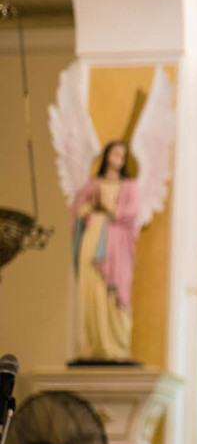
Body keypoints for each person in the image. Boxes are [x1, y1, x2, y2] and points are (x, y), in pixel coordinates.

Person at [71, 140, 140, 361]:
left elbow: (132, 213)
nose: (118, 158)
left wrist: (108, 207)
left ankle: (116, 346)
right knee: (93, 291)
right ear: (107, 156)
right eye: (114, 153)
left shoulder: (129, 187)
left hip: (117, 245)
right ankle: (92, 346)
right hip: (93, 242)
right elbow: (77, 212)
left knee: (116, 293)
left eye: (122, 155)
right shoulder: (93, 185)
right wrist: (92, 207)